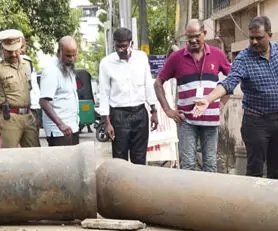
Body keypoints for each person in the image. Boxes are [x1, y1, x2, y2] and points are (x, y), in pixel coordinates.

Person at [194, 16, 278, 179]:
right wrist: (208, 99)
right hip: (256, 123)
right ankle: (253, 203)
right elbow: (229, 82)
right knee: (255, 170)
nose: (254, 42)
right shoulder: (244, 57)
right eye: (251, 38)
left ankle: (272, 204)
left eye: (259, 38)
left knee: (277, 170)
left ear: (270, 35)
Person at [155, 19, 231, 172]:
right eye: (189, 37)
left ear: (204, 33)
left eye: (197, 36)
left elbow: (233, 79)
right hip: (186, 120)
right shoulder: (177, 57)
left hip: (210, 120)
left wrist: (222, 104)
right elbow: (158, 82)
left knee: (210, 164)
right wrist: (168, 110)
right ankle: (188, 196)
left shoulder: (217, 54)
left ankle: (208, 196)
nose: (193, 40)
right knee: (188, 164)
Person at [98, 27, 159, 164]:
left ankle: (139, 185)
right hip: (119, 116)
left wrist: (154, 111)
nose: (121, 50)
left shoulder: (141, 58)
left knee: (140, 158)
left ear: (131, 43)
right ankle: (121, 186)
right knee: (120, 160)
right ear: (114, 44)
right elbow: (104, 94)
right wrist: (107, 122)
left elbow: (148, 85)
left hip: (140, 114)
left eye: (124, 46)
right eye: (118, 46)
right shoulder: (106, 63)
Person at [0, 29, 39, 148]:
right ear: (2, 48)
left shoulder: (26, 64)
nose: (13, 54)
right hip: (9, 118)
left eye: (16, 50)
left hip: (29, 115)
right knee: (10, 157)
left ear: (21, 47)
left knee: (35, 156)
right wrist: (0, 113)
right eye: (9, 51)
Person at [39, 36, 80, 146]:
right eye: (67, 55)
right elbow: (44, 101)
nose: (71, 59)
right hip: (59, 131)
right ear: (58, 52)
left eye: (73, 55)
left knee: (73, 162)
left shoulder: (68, 67)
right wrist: (60, 124)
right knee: (62, 163)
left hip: (72, 126)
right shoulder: (52, 71)